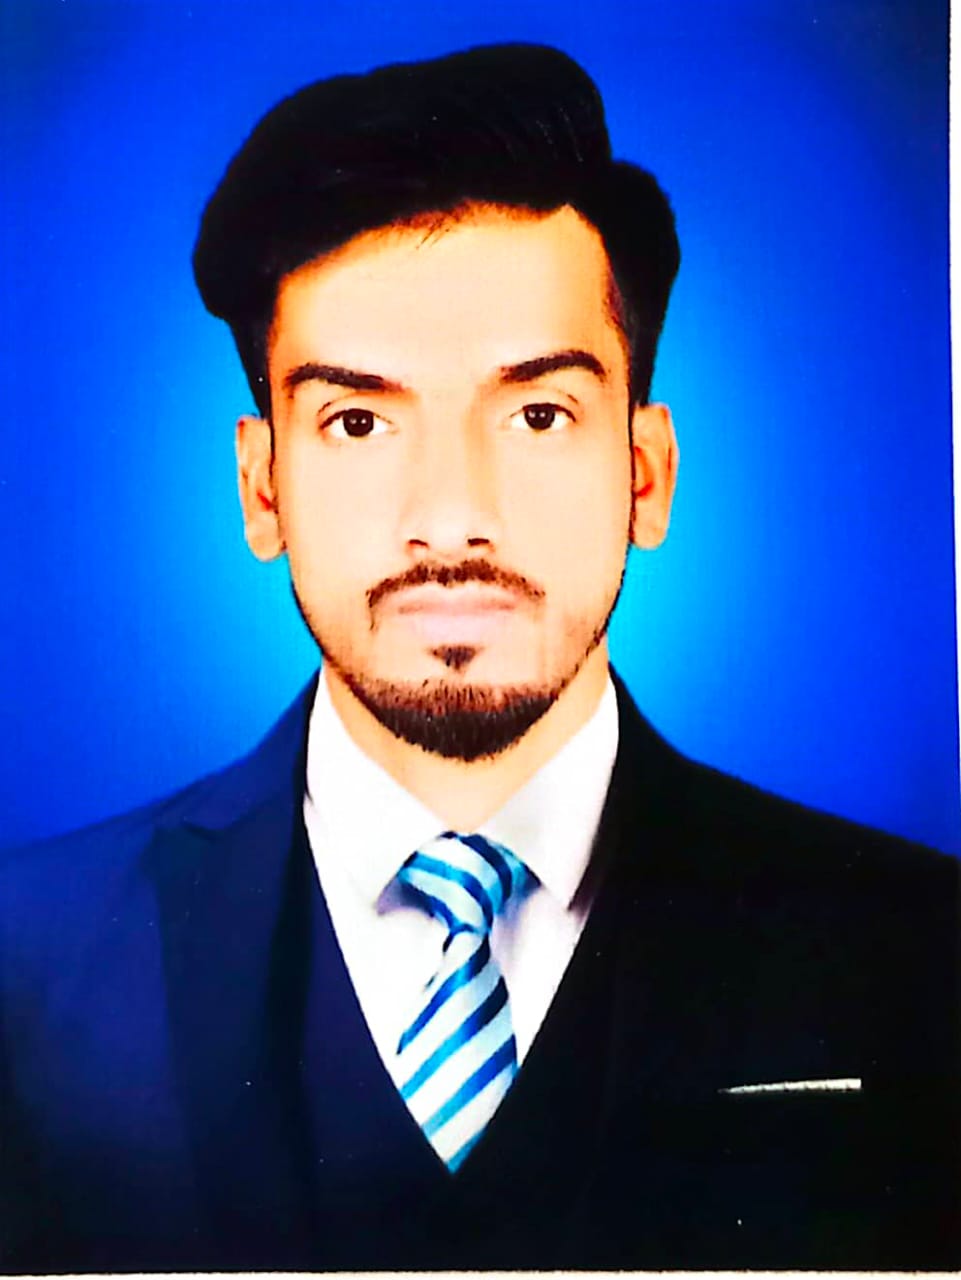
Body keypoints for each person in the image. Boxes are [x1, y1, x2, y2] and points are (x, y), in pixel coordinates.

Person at [1, 43, 957, 1273]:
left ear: (646, 472)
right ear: (261, 486)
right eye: (357, 419)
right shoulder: (25, 956)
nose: (450, 517)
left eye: (538, 413)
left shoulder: (919, 949)